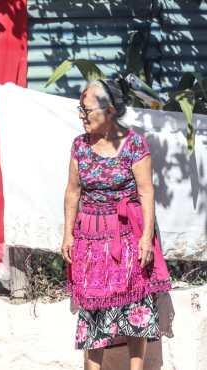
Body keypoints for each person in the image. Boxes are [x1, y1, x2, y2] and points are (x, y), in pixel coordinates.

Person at [62, 79, 172, 370]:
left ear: (109, 110)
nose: (82, 117)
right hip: (90, 237)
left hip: (127, 236)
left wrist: (146, 237)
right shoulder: (80, 146)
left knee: (135, 307)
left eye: (87, 111)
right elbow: (73, 192)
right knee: (93, 309)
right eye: (80, 110)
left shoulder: (135, 144)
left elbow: (146, 191)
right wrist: (67, 235)